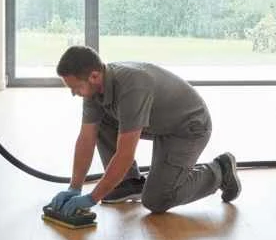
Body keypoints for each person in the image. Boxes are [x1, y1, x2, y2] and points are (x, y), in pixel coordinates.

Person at [46, 46, 242, 218]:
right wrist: (74, 187)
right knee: (102, 119)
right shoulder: (94, 88)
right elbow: (86, 138)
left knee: (157, 200)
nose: (74, 93)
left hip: (187, 127)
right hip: (159, 123)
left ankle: (220, 170)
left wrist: (92, 198)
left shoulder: (132, 86)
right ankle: (128, 183)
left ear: (94, 76)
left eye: (76, 88)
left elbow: (125, 154)